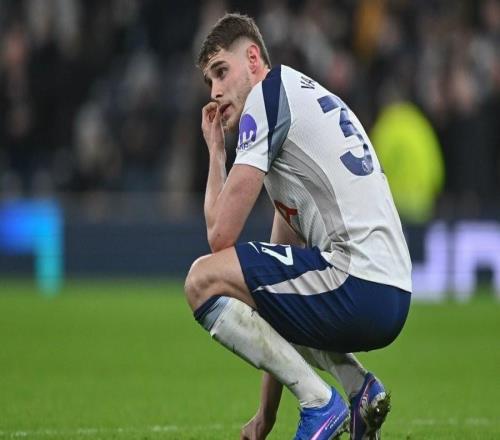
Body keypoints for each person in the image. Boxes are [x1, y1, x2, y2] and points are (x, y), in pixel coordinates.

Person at [184, 13, 412, 440]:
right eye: (208, 80)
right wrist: (265, 415)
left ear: (253, 59)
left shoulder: (266, 99)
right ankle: (358, 389)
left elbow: (220, 235)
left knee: (201, 280)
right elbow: (270, 303)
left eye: (221, 71)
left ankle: (319, 404)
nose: (214, 91)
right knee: (253, 286)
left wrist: (216, 153)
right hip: (392, 290)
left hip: (358, 282)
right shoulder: (299, 104)